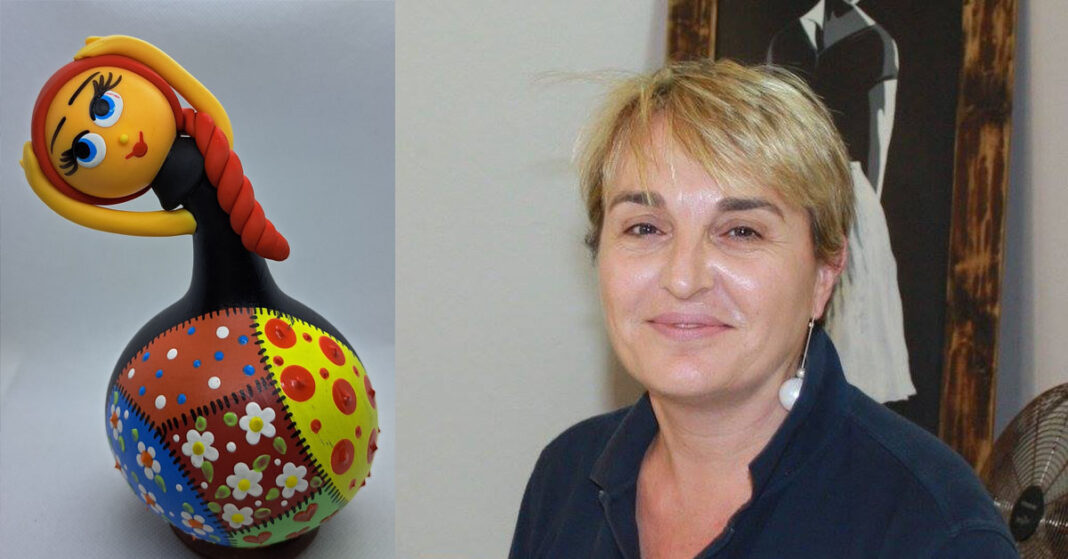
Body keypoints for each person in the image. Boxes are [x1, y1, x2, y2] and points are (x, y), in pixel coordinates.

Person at [509, 60, 1015, 558]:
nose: (683, 279)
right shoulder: (567, 478)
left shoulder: (934, 532)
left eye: (741, 232)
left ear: (824, 273)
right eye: (645, 228)